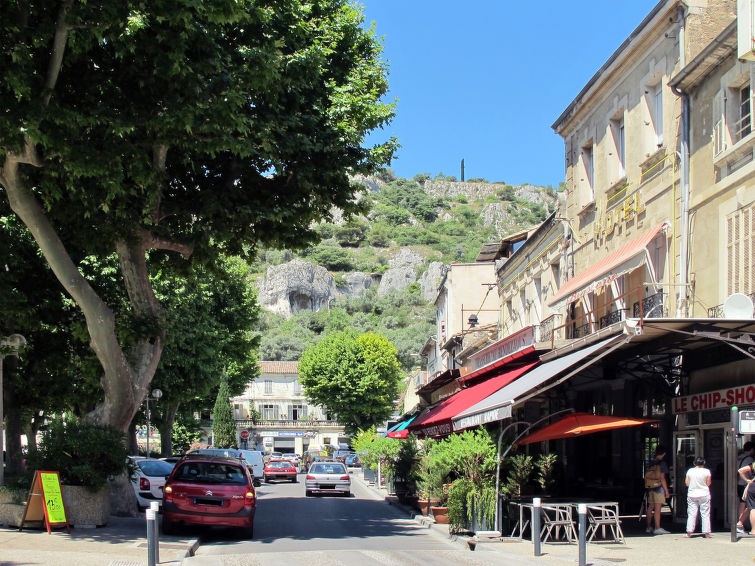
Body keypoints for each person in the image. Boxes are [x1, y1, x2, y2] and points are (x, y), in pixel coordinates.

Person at [645, 445, 671, 535]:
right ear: (663, 453)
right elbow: (662, 478)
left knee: (650, 507)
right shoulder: (662, 463)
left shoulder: (651, 462)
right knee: (658, 508)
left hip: (650, 487)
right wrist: (666, 491)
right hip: (659, 487)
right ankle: (657, 527)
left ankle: (648, 527)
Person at [685, 457, 712, 538]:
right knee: (705, 514)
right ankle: (706, 532)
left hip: (692, 494)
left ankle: (689, 532)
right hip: (704, 493)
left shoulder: (690, 471)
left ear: (694, 463)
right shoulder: (707, 471)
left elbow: (687, 483)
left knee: (692, 514)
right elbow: (708, 483)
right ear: (704, 463)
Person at [736, 441, 755, 534]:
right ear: (751, 449)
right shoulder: (750, 459)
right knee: (748, 505)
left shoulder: (739, 457)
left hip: (740, 483)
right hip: (747, 485)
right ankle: (740, 523)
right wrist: (747, 480)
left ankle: (740, 523)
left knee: (743, 504)